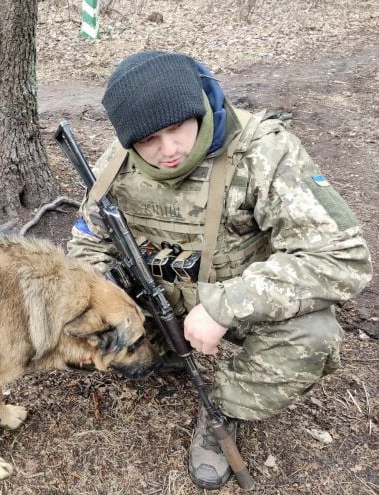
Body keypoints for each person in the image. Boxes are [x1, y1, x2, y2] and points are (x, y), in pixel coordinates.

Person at [66, 50, 372, 489]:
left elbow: (342, 257)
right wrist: (111, 299)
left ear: (199, 110)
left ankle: (224, 410)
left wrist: (226, 305)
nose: (167, 150)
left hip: (242, 305)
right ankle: (162, 352)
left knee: (312, 338)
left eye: (177, 128)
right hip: (158, 302)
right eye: (149, 139)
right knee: (75, 328)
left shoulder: (262, 151)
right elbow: (88, 243)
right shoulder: (118, 162)